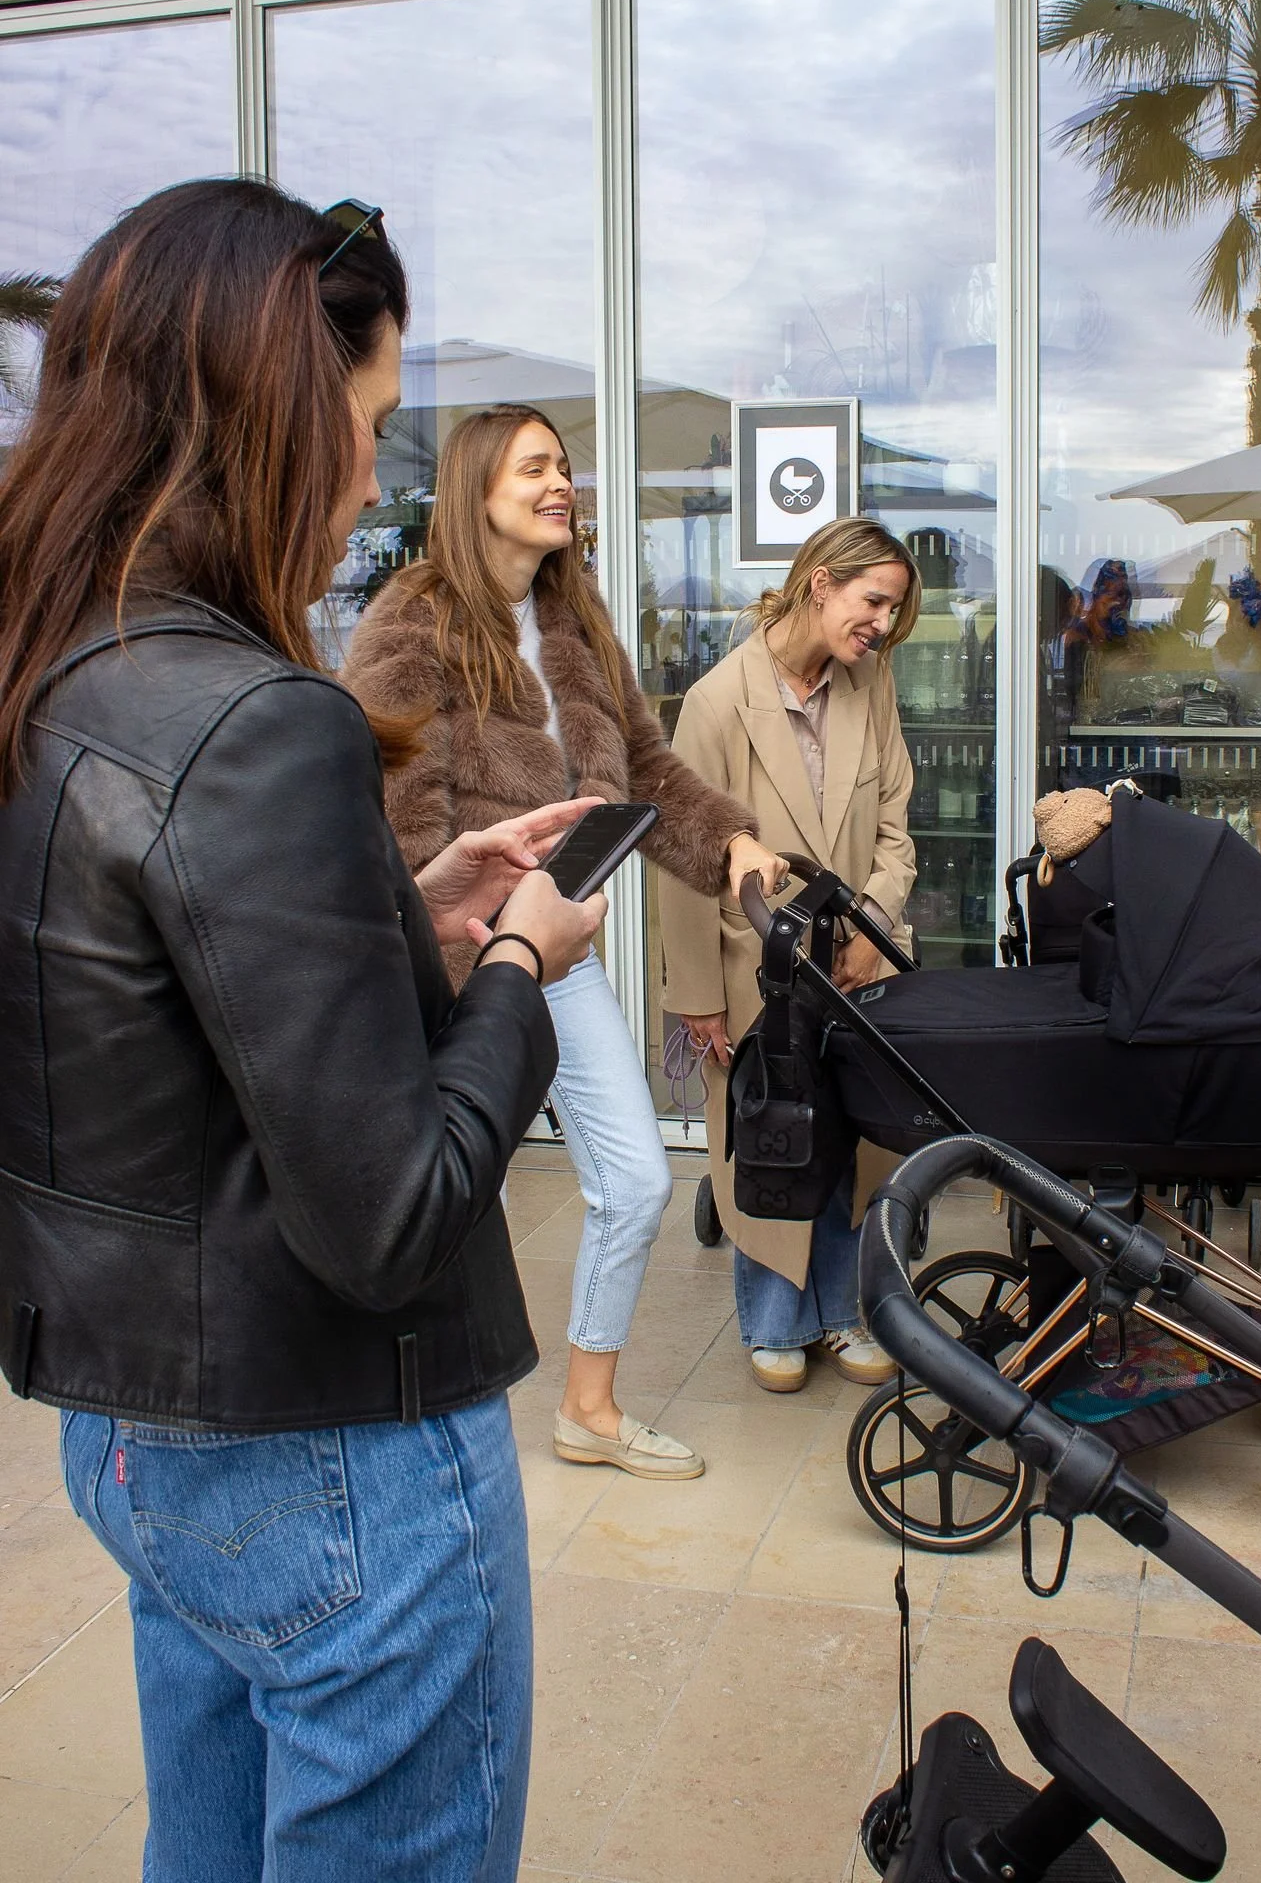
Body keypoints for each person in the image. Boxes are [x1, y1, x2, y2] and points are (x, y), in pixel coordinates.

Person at [0, 178, 607, 1883]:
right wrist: (515, 974)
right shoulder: (259, 719)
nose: (370, 470)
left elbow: (121, 999)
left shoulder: (56, 677)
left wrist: (397, 925)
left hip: (136, 1430)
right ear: (271, 413)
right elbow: (393, 1214)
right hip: (332, 1460)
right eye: (365, 420)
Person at [343, 406, 785, 1477]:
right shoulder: (413, 625)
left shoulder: (573, 616)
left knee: (635, 1180)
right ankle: (437, 1430)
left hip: (563, 959)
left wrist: (733, 845)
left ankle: (588, 1407)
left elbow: (643, 765)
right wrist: (459, 964)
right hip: (452, 970)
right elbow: (389, 828)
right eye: (536, 467)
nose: (561, 484)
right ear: (475, 486)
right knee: (461, 1208)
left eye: (564, 467)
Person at [659, 517, 921, 1392]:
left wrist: (872, 929)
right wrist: (695, 996)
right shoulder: (716, 701)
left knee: (847, 1137)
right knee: (772, 1139)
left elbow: (895, 827)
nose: (882, 624)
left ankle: (844, 1314)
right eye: (873, 601)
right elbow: (685, 858)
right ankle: (774, 1321)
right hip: (755, 968)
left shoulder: (867, 683)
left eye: (892, 609)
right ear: (820, 584)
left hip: (854, 962)